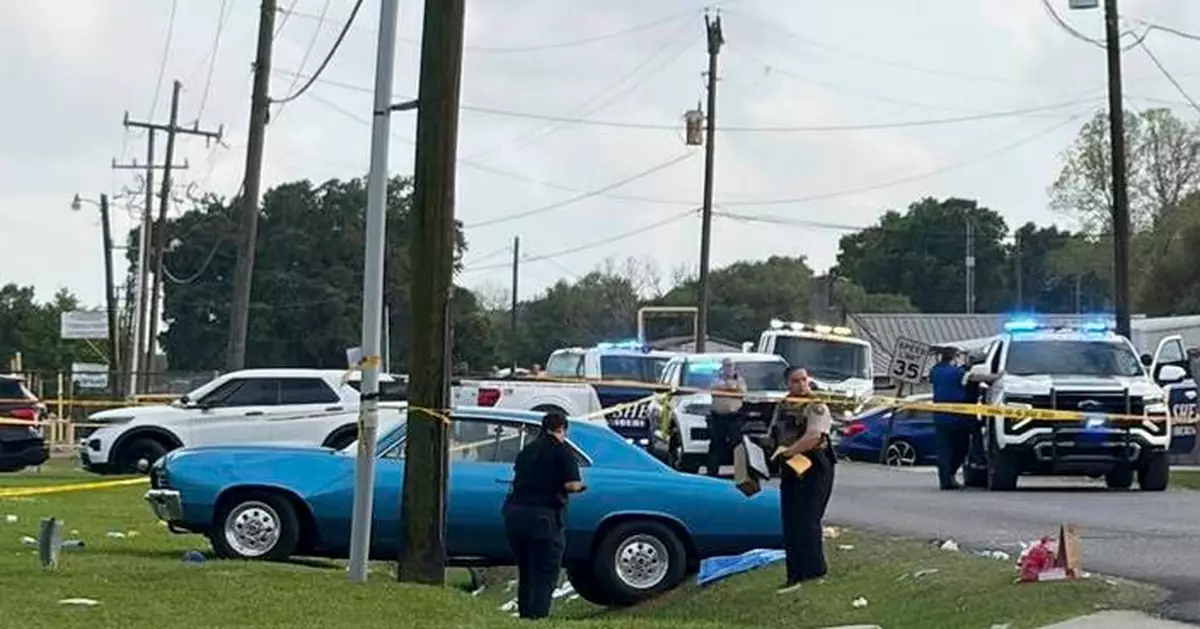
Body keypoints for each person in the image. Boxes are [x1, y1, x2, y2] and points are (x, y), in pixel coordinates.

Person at [502, 411, 586, 619]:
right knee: (545, 573)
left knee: (526, 572)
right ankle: (538, 618)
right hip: (544, 519)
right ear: (562, 429)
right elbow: (571, 485)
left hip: (515, 515)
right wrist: (582, 487)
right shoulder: (563, 451)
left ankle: (524, 616)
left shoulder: (527, 450)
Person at [765, 366, 836, 594]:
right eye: (796, 381)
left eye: (805, 379)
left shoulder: (816, 405)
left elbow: (814, 436)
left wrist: (789, 452)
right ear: (788, 383)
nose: (802, 384)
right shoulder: (783, 405)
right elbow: (773, 434)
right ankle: (794, 574)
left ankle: (815, 571)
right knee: (791, 522)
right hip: (790, 467)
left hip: (815, 465)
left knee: (808, 520)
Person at [930, 347, 1001, 490]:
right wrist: (998, 376)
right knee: (961, 449)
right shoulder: (957, 372)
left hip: (940, 417)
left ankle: (946, 480)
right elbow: (974, 378)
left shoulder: (935, 371)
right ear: (954, 357)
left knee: (944, 451)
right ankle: (951, 476)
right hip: (959, 418)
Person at [706, 358, 747, 477]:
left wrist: (727, 388)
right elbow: (714, 389)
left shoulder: (740, 380)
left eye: (731, 366)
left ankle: (740, 473)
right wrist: (731, 389)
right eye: (726, 366)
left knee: (737, 446)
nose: (729, 368)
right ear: (722, 367)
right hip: (718, 418)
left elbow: (742, 392)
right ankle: (712, 473)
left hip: (733, 418)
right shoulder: (716, 379)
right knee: (715, 445)